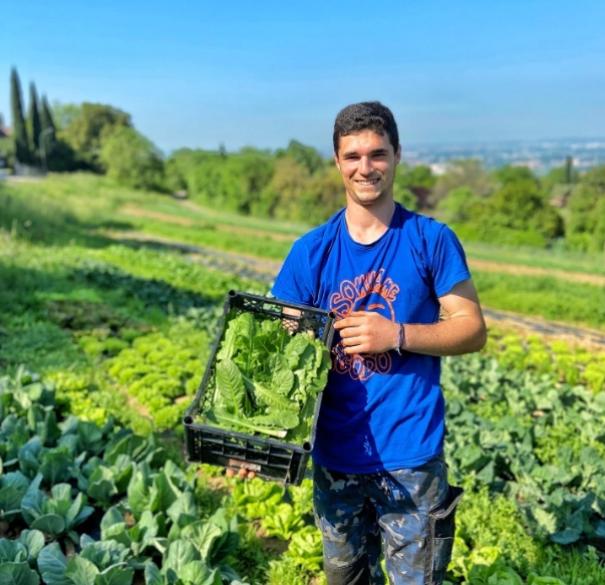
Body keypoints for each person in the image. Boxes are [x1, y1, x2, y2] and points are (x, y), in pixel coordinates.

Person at [271, 102, 487, 585]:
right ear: (337, 162)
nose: (365, 167)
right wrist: (258, 443)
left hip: (412, 458)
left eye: (377, 154)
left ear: (396, 156)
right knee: (346, 579)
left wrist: (398, 334)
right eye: (352, 156)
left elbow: (472, 328)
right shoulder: (311, 251)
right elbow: (277, 352)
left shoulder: (430, 240)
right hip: (335, 458)